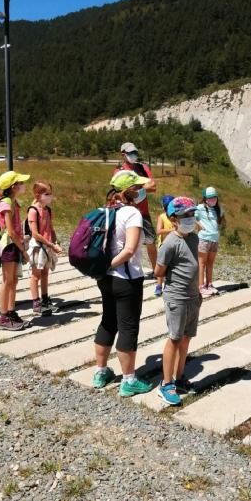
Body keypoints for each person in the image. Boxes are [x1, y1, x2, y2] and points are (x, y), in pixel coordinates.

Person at [92, 170, 153, 398]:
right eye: (137, 187)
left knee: (108, 321)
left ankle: (100, 372)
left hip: (104, 279)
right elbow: (129, 250)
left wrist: (102, 269)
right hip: (126, 278)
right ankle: (129, 380)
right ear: (129, 191)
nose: (141, 191)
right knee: (128, 327)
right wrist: (111, 265)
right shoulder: (131, 214)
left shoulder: (106, 210)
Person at [155, 197, 201, 406]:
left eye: (192, 214)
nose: (190, 219)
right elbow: (159, 270)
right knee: (174, 338)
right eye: (185, 216)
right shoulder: (170, 243)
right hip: (177, 297)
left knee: (186, 338)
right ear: (173, 219)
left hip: (192, 297)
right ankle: (166, 383)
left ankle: (180, 377)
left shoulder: (193, 238)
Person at [0, 170, 31, 331]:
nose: (23, 185)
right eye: (20, 183)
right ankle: (4, 317)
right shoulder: (6, 203)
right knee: (7, 281)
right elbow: (10, 231)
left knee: (13, 281)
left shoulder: (13, 202)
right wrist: (23, 249)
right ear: (13, 186)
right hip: (10, 245)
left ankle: (11, 312)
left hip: (14, 244)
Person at [117, 142, 158, 277]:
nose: (133, 155)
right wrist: (141, 185)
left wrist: (135, 187)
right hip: (127, 212)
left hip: (143, 211)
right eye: (130, 153)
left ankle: (156, 271)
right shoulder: (119, 170)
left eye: (135, 152)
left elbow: (153, 186)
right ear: (123, 154)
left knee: (151, 241)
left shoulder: (142, 167)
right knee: (126, 242)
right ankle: (125, 269)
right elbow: (121, 191)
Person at [27, 180, 63, 316]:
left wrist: (55, 241)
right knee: (36, 275)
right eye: (46, 194)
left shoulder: (47, 210)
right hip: (38, 247)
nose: (49, 196)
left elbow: (51, 228)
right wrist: (50, 244)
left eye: (50, 193)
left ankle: (45, 299)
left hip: (47, 246)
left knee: (45, 273)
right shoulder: (33, 210)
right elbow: (35, 234)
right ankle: (36, 302)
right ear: (37, 194)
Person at [195, 186, 225, 299]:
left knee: (210, 263)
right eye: (210, 198)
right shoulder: (200, 207)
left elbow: (221, 219)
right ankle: (200, 286)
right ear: (205, 198)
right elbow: (193, 216)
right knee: (202, 263)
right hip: (203, 239)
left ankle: (209, 284)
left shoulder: (219, 209)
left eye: (214, 197)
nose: (212, 200)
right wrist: (200, 226)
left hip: (214, 239)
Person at [154, 194, 175, 297]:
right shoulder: (162, 217)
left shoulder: (175, 217)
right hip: (163, 245)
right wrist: (171, 230)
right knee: (162, 265)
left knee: (172, 266)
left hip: (174, 245)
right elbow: (158, 231)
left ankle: (170, 285)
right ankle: (159, 285)